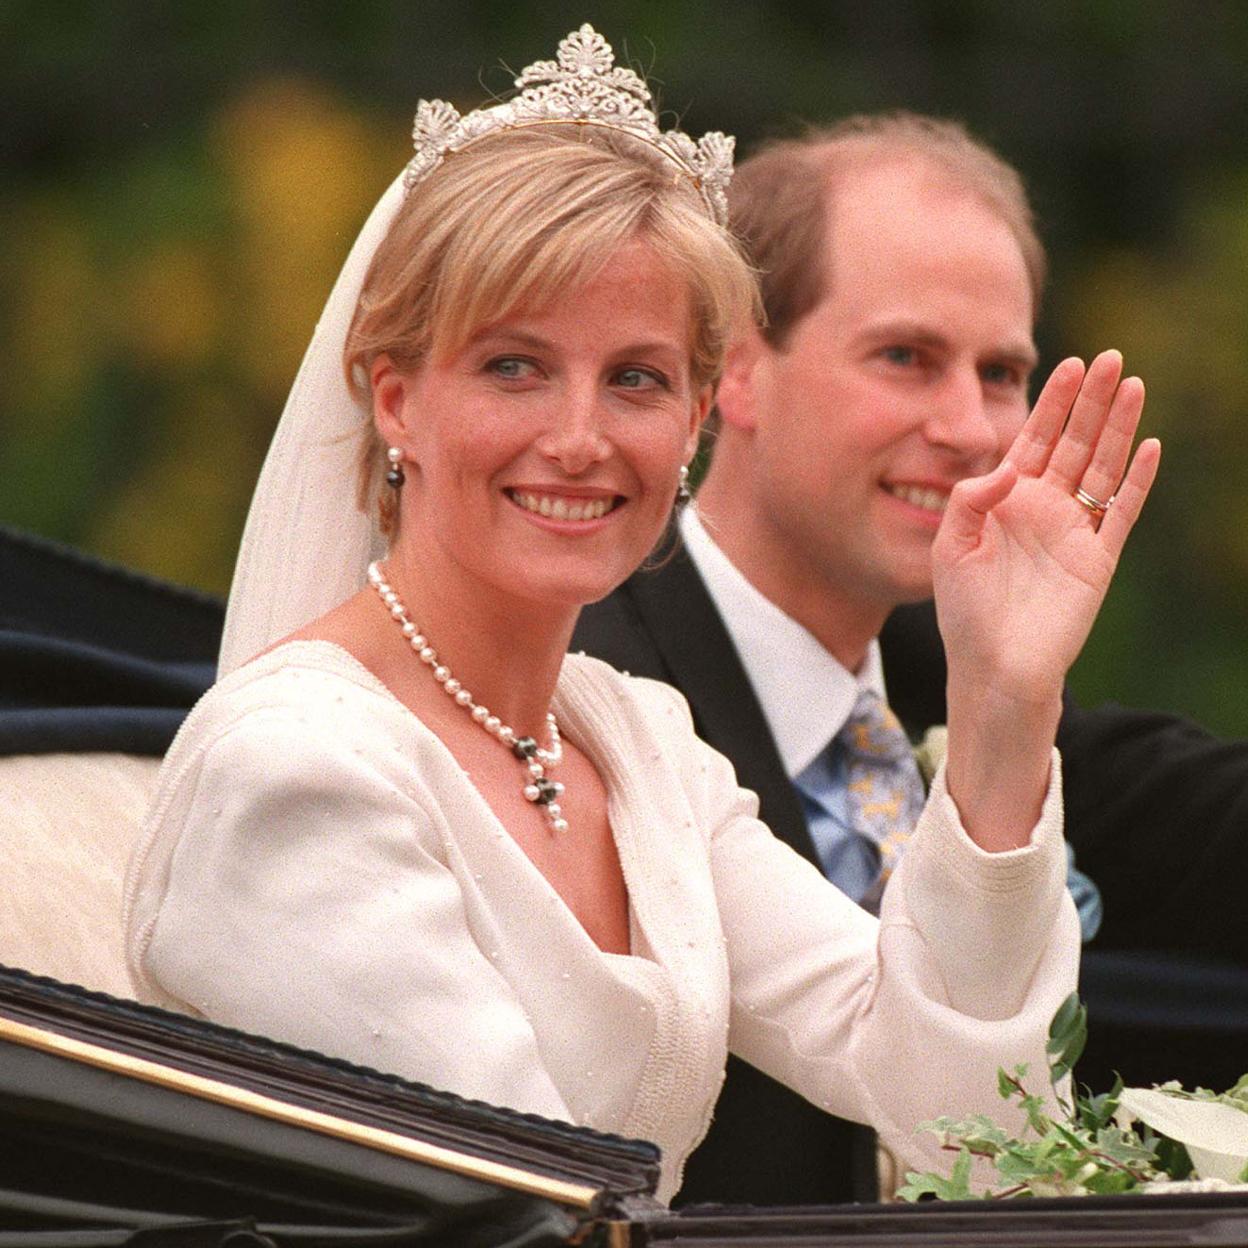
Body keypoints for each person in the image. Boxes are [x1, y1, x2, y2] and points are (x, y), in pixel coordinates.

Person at [124, 30, 1157, 1205]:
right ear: (397, 399)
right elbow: (521, 1217)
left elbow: (959, 1110)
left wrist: (1003, 695)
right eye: (515, 367)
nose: (580, 437)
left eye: (638, 378)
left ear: (696, 426)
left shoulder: (637, 745)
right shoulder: (296, 771)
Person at [571, 114, 1242, 1205]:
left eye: (1002, 371)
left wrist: (1009, 696)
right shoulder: (588, 690)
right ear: (737, 369)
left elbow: (1199, 819)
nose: (972, 426)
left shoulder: (955, 674)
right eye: (907, 358)